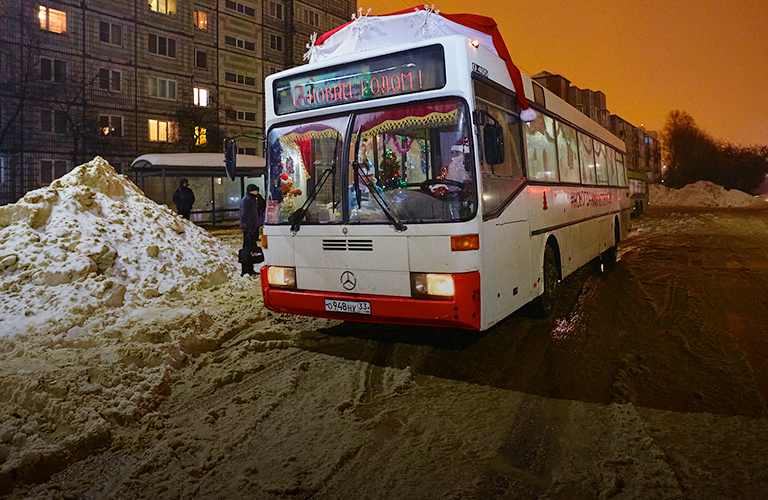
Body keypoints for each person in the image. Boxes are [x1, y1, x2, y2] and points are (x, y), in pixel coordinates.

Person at [239, 184, 266, 276]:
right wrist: (248, 227)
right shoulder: (247, 200)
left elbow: (262, 206)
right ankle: (246, 269)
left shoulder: (253, 199)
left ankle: (250, 268)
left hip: (253, 227)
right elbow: (245, 215)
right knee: (248, 248)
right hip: (249, 228)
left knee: (251, 248)